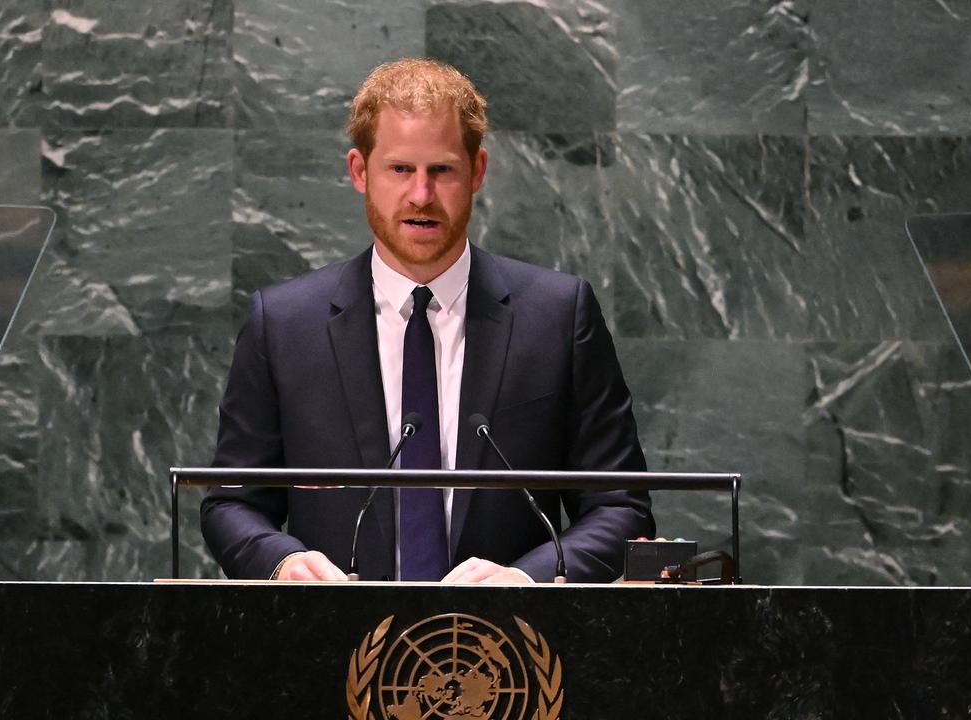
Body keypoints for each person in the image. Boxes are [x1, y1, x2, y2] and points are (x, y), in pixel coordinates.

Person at [201, 58, 653, 583]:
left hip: (510, 651)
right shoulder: (282, 324)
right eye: (399, 170)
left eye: (442, 170)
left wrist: (527, 580)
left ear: (477, 171)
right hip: (330, 645)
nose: (421, 195)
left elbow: (622, 509)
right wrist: (280, 562)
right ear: (358, 172)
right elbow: (231, 503)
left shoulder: (557, 315)